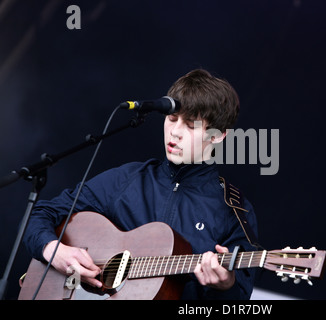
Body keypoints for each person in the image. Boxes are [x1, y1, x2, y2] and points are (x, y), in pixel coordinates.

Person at [22, 69, 258, 300]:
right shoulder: (128, 179)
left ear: (218, 135)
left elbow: (238, 298)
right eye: (172, 119)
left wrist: (225, 286)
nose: (174, 132)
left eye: (190, 125)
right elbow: (42, 214)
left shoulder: (232, 210)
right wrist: (55, 251)